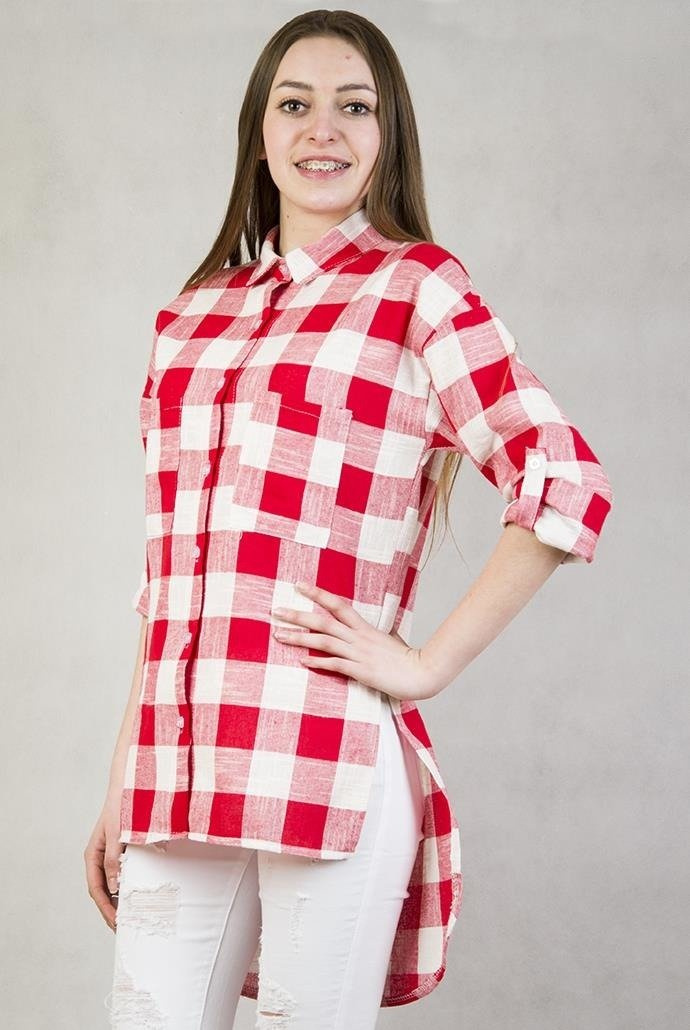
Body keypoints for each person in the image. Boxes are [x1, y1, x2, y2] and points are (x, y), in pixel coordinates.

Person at [83, 10, 614, 1029]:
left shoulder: (419, 290)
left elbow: (563, 476)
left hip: (326, 754)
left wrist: (425, 664)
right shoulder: (190, 319)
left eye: (354, 106)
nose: (322, 128)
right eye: (295, 104)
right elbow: (170, 579)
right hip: (176, 764)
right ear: (260, 132)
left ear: (387, 134)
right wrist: (124, 772)